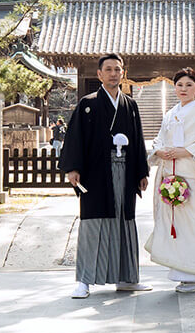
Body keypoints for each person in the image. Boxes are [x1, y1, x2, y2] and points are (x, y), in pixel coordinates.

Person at [60, 53, 151, 299]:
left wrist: (141, 171)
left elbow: (138, 139)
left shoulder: (130, 105)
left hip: (126, 170)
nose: (113, 73)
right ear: (99, 74)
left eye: (117, 69)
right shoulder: (87, 104)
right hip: (96, 172)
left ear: (123, 73)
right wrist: (73, 168)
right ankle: (84, 281)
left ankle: (127, 278)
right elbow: (75, 138)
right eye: (108, 69)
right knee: (93, 223)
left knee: (124, 221)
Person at [145, 68, 195, 294]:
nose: (183, 89)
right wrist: (159, 151)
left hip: (193, 174)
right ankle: (182, 273)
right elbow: (159, 138)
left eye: (189, 85)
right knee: (177, 225)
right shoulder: (171, 113)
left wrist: (186, 151)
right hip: (171, 174)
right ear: (174, 88)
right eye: (179, 85)